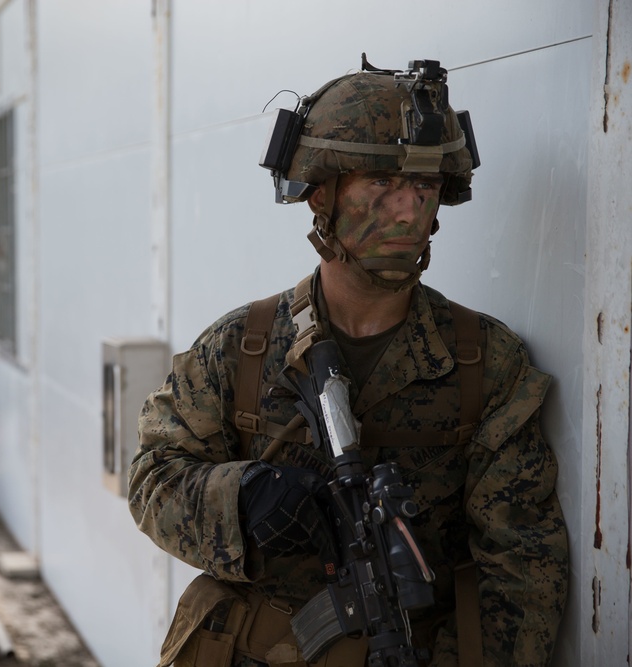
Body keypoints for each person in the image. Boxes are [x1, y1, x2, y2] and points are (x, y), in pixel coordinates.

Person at [128, 56, 568, 667]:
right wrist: (242, 496)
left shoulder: (486, 363)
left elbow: (523, 570)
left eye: (424, 187)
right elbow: (153, 478)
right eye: (381, 185)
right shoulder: (241, 347)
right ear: (321, 194)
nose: (408, 212)